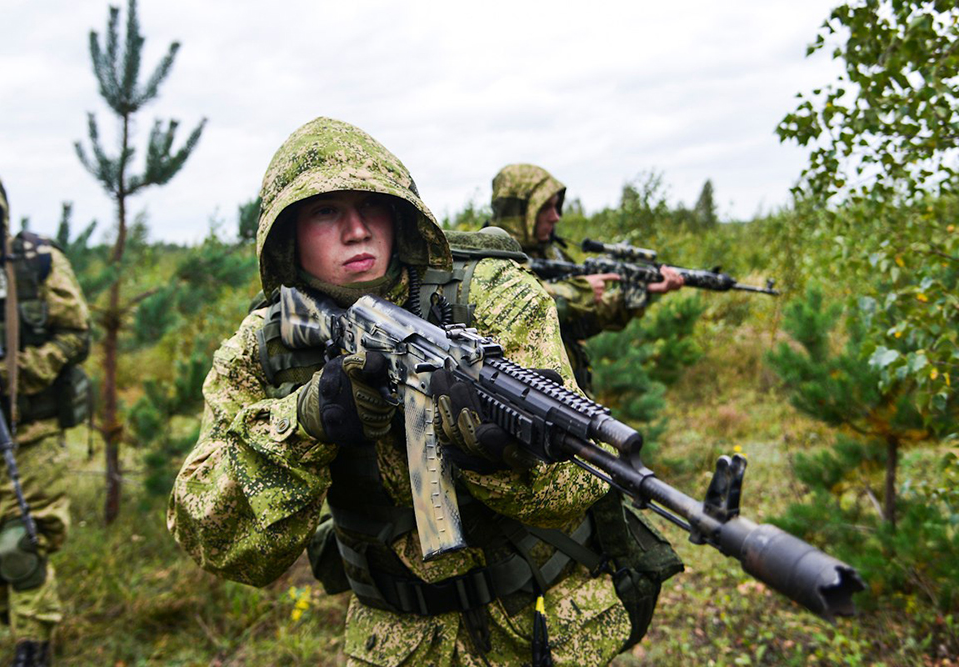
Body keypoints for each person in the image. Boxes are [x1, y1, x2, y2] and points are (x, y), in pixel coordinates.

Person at [168, 118, 647, 666]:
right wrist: (305, 423)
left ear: (399, 213)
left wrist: (493, 457)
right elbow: (213, 536)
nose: (356, 231)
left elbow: (579, 486)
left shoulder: (491, 292)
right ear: (286, 235)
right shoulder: (264, 346)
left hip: (542, 626)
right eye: (326, 211)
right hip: (396, 643)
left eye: (370, 206)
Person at [0, 158, 91, 667]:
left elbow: (75, 335)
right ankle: (21, 625)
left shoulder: (33, 265)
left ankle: (31, 650)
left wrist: (9, 374)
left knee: (19, 547)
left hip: (28, 429)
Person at [490, 164, 684, 393]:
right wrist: (581, 291)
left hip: (570, 394)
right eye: (545, 208)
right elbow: (523, 307)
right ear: (521, 211)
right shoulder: (493, 260)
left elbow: (585, 321)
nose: (555, 217)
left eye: (556, 206)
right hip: (524, 395)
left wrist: (641, 293)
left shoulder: (553, 253)